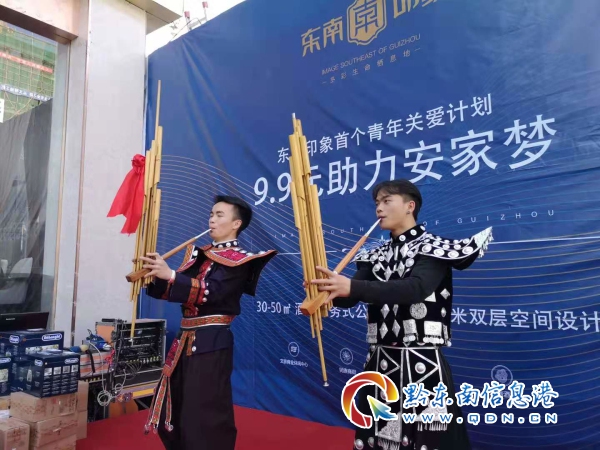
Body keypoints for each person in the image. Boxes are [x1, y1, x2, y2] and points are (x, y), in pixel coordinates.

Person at [312, 180, 492, 450]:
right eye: (377, 203)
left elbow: (415, 289)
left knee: (427, 440)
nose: (379, 209)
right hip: (380, 363)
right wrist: (326, 291)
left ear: (410, 206)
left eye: (387, 201)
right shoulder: (374, 255)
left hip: (422, 363)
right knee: (380, 437)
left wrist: (351, 287)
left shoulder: (432, 248)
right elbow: (351, 297)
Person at [140, 195, 276, 450]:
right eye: (211, 214)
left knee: (205, 409)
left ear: (236, 224)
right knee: (178, 402)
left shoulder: (241, 259)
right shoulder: (200, 255)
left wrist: (171, 275)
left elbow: (211, 292)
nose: (212, 219)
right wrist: (155, 276)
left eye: (219, 215)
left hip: (211, 342)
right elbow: (176, 290)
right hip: (184, 340)